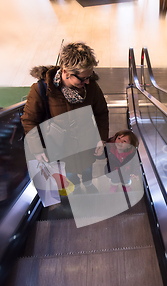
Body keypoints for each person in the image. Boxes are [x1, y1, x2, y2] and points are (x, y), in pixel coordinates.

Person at [22, 42, 109, 194]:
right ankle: (74, 189)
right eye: (83, 78)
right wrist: (37, 148)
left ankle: (88, 185)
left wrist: (101, 138)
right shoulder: (42, 90)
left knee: (88, 169)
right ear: (66, 72)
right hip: (60, 149)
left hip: (86, 145)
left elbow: (101, 112)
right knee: (69, 174)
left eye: (89, 76)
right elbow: (29, 120)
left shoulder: (91, 87)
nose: (87, 81)